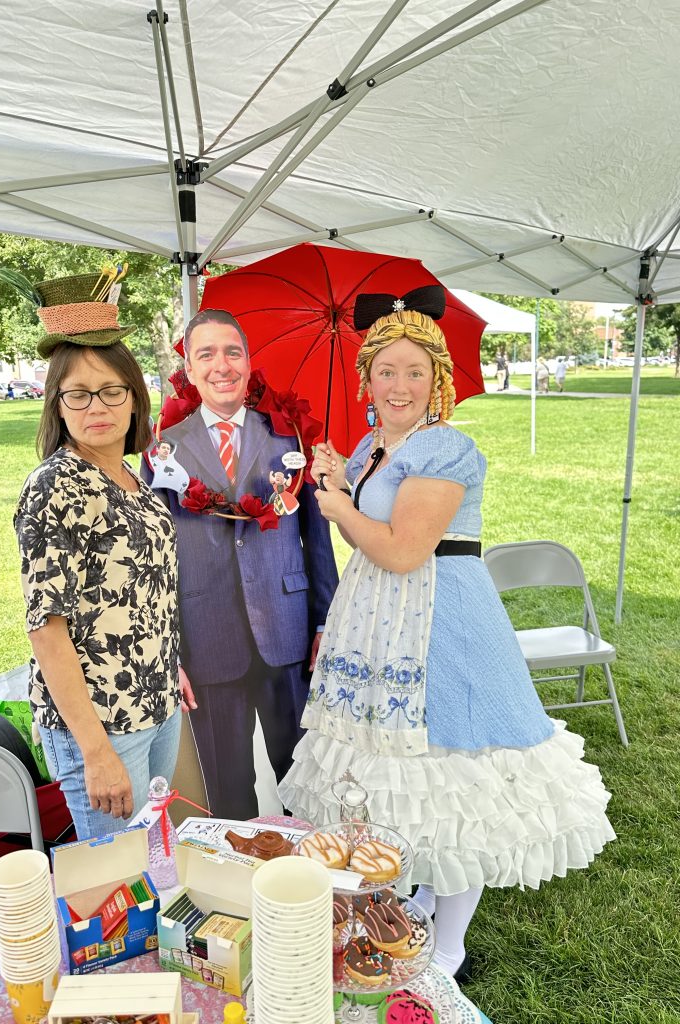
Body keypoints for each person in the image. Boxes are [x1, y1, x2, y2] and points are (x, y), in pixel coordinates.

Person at [279, 292, 615, 981]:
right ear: (366, 380)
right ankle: (421, 901)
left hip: (442, 622)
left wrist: (341, 506)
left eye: (414, 372)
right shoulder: (378, 447)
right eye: (385, 372)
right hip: (381, 622)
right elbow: (376, 532)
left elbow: (404, 550)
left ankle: (451, 942)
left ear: (438, 381)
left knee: (452, 772)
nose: (398, 386)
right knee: (397, 772)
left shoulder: (447, 447)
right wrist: (345, 481)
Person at [143, 308, 339, 820]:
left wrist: (325, 619)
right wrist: (169, 650)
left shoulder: (288, 437)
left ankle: (307, 886)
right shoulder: (164, 449)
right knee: (229, 792)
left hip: (287, 633)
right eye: (205, 354)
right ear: (188, 368)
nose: (221, 365)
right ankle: (242, 890)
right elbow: (156, 561)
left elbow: (317, 538)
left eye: (232, 352)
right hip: (206, 638)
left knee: (303, 778)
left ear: (249, 362)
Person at [14, 273, 188, 840]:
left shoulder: (129, 477)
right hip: (103, 725)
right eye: (79, 394)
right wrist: (95, 752)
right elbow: (47, 630)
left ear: (135, 397)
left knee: (149, 867)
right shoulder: (55, 486)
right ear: (57, 405)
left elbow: (138, 595)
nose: (98, 406)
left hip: (155, 706)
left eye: (112, 390)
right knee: (117, 887)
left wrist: (169, 664)